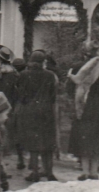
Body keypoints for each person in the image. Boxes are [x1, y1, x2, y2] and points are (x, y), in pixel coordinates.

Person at [67, 42, 99, 181]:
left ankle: (85, 171)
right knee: (97, 138)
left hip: (82, 107)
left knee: (83, 138)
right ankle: (94, 171)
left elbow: (69, 89)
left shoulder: (76, 68)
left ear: (84, 53)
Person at [15, 50, 57, 183]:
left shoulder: (24, 75)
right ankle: (49, 172)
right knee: (47, 141)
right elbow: (53, 95)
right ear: (43, 61)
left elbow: (21, 94)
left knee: (33, 142)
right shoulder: (50, 75)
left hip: (30, 111)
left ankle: (34, 172)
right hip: (46, 111)